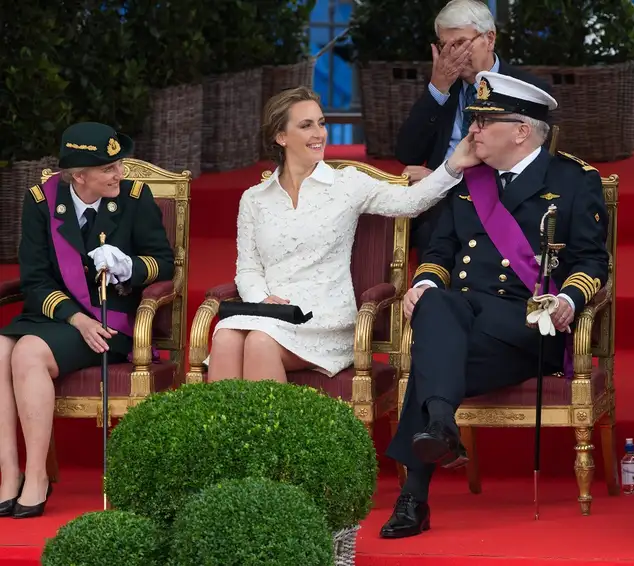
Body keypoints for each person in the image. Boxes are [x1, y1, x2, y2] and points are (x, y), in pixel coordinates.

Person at [380, 72, 609, 539]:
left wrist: (567, 299)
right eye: (474, 120)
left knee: (431, 357)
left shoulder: (572, 180)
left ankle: (416, 494)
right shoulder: (470, 181)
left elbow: (592, 262)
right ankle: (440, 429)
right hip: (464, 321)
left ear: (521, 131)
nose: (473, 130)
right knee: (434, 306)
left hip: (528, 327)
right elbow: (440, 252)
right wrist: (423, 283)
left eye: (484, 121)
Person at [205, 86, 479, 382]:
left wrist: (454, 164)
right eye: (306, 125)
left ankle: (277, 417)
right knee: (225, 337)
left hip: (325, 317)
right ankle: (227, 417)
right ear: (281, 137)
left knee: (260, 341)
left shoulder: (347, 184)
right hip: (270, 313)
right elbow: (248, 269)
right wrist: (262, 301)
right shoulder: (254, 198)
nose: (319, 134)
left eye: (321, 123)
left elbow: (411, 202)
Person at [0, 122, 174, 519]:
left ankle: (37, 476)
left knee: (27, 353)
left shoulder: (134, 198)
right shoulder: (41, 202)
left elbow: (164, 263)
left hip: (109, 322)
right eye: (108, 168)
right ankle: (9, 473)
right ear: (79, 176)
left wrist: (128, 266)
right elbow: (35, 279)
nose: (119, 173)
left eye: (119, 164)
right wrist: (75, 318)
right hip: (59, 315)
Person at [395, 0, 551, 261]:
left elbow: (531, 169)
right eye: (445, 46)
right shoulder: (443, 85)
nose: (452, 55)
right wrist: (437, 90)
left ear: (489, 39)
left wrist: (442, 179)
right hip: (440, 209)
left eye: (461, 43)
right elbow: (407, 153)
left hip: (500, 204)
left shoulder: (528, 90)